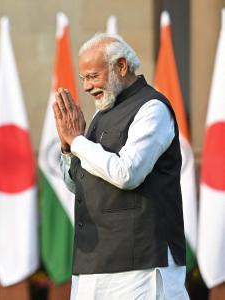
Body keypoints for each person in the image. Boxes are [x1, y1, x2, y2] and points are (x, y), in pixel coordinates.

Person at [52, 33, 189, 299]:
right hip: (93, 264)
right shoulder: (100, 113)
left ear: (122, 66)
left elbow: (128, 173)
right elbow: (78, 186)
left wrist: (78, 141)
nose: (88, 87)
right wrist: (68, 149)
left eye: (93, 76)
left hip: (141, 264)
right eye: (83, 80)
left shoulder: (153, 108)